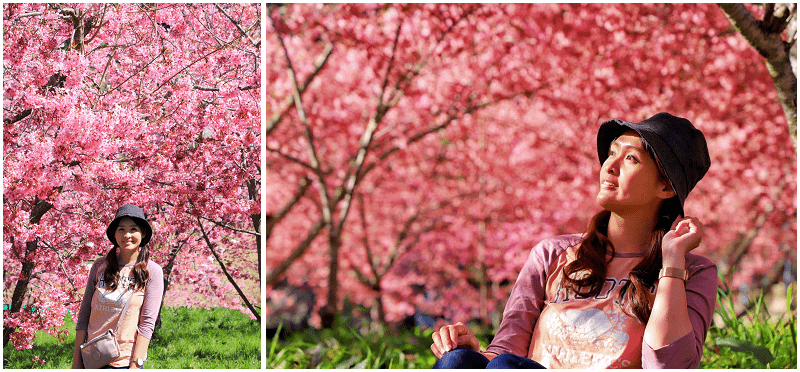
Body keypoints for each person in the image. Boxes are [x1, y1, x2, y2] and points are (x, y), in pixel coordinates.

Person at [430, 113, 718, 368]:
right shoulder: (553, 254)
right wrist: (474, 353)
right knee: (459, 361)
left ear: (666, 186)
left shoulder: (692, 272)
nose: (610, 166)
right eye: (611, 153)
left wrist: (672, 264)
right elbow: (507, 351)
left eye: (630, 158)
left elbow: (668, 367)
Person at [72, 204, 164, 369]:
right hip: (92, 357)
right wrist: (76, 362)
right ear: (114, 235)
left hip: (125, 361)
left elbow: (147, 323)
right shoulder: (100, 266)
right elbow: (84, 314)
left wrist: (136, 365)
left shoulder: (152, 271)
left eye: (133, 229)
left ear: (142, 234)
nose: (127, 235)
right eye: (121, 229)